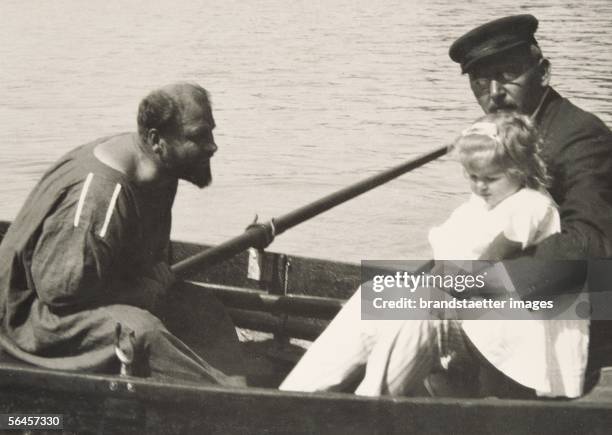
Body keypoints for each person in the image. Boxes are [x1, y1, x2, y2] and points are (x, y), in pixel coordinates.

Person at [281, 14, 612, 397]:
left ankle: (361, 414)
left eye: (507, 74)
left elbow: (592, 248)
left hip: (554, 315)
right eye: (479, 82)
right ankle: (280, 407)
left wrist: (473, 280)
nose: (494, 93)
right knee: (378, 295)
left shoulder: (582, 136)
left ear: (543, 71)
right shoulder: (502, 133)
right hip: (496, 295)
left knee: (416, 314)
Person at [281, 112, 588, 397]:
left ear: (520, 170)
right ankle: (291, 398)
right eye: (472, 176)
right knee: (373, 296)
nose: (480, 186)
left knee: (414, 308)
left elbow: (479, 267)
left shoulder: (530, 206)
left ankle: (369, 408)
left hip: (513, 323)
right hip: (475, 305)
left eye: (490, 179)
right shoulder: (488, 201)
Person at [0, 82, 245, 386]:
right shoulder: (100, 196)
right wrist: (141, 293)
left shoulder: (160, 170)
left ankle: (237, 392)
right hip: (29, 321)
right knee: (142, 334)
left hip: (91, 294)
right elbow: (60, 292)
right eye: (198, 136)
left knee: (203, 308)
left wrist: (150, 283)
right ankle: (231, 407)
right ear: (157, 140)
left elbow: (146, 259)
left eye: (211, 131)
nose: (212, 146)